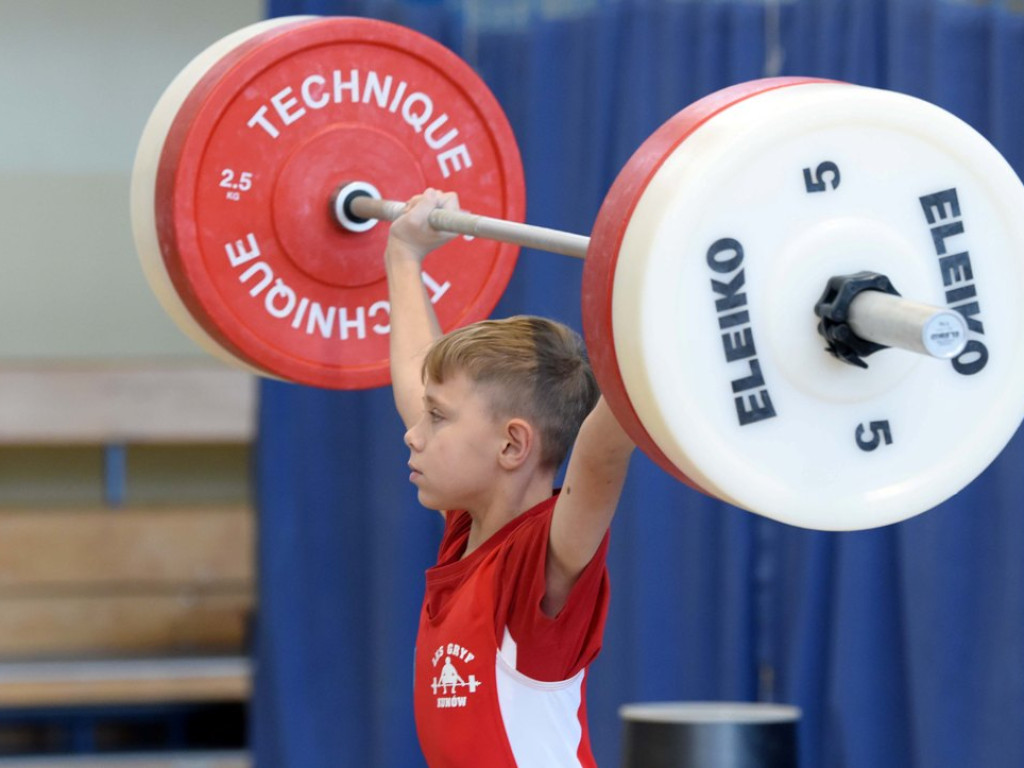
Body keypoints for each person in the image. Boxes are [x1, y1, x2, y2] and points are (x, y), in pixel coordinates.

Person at [385, 188, 635, 767]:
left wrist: (647, 325)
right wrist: (403, 254)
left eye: (438, 419)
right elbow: (415, 375)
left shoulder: (542, 562)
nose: (413, 433)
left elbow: (600, 449)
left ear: (513, 444)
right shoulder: (464, 529)